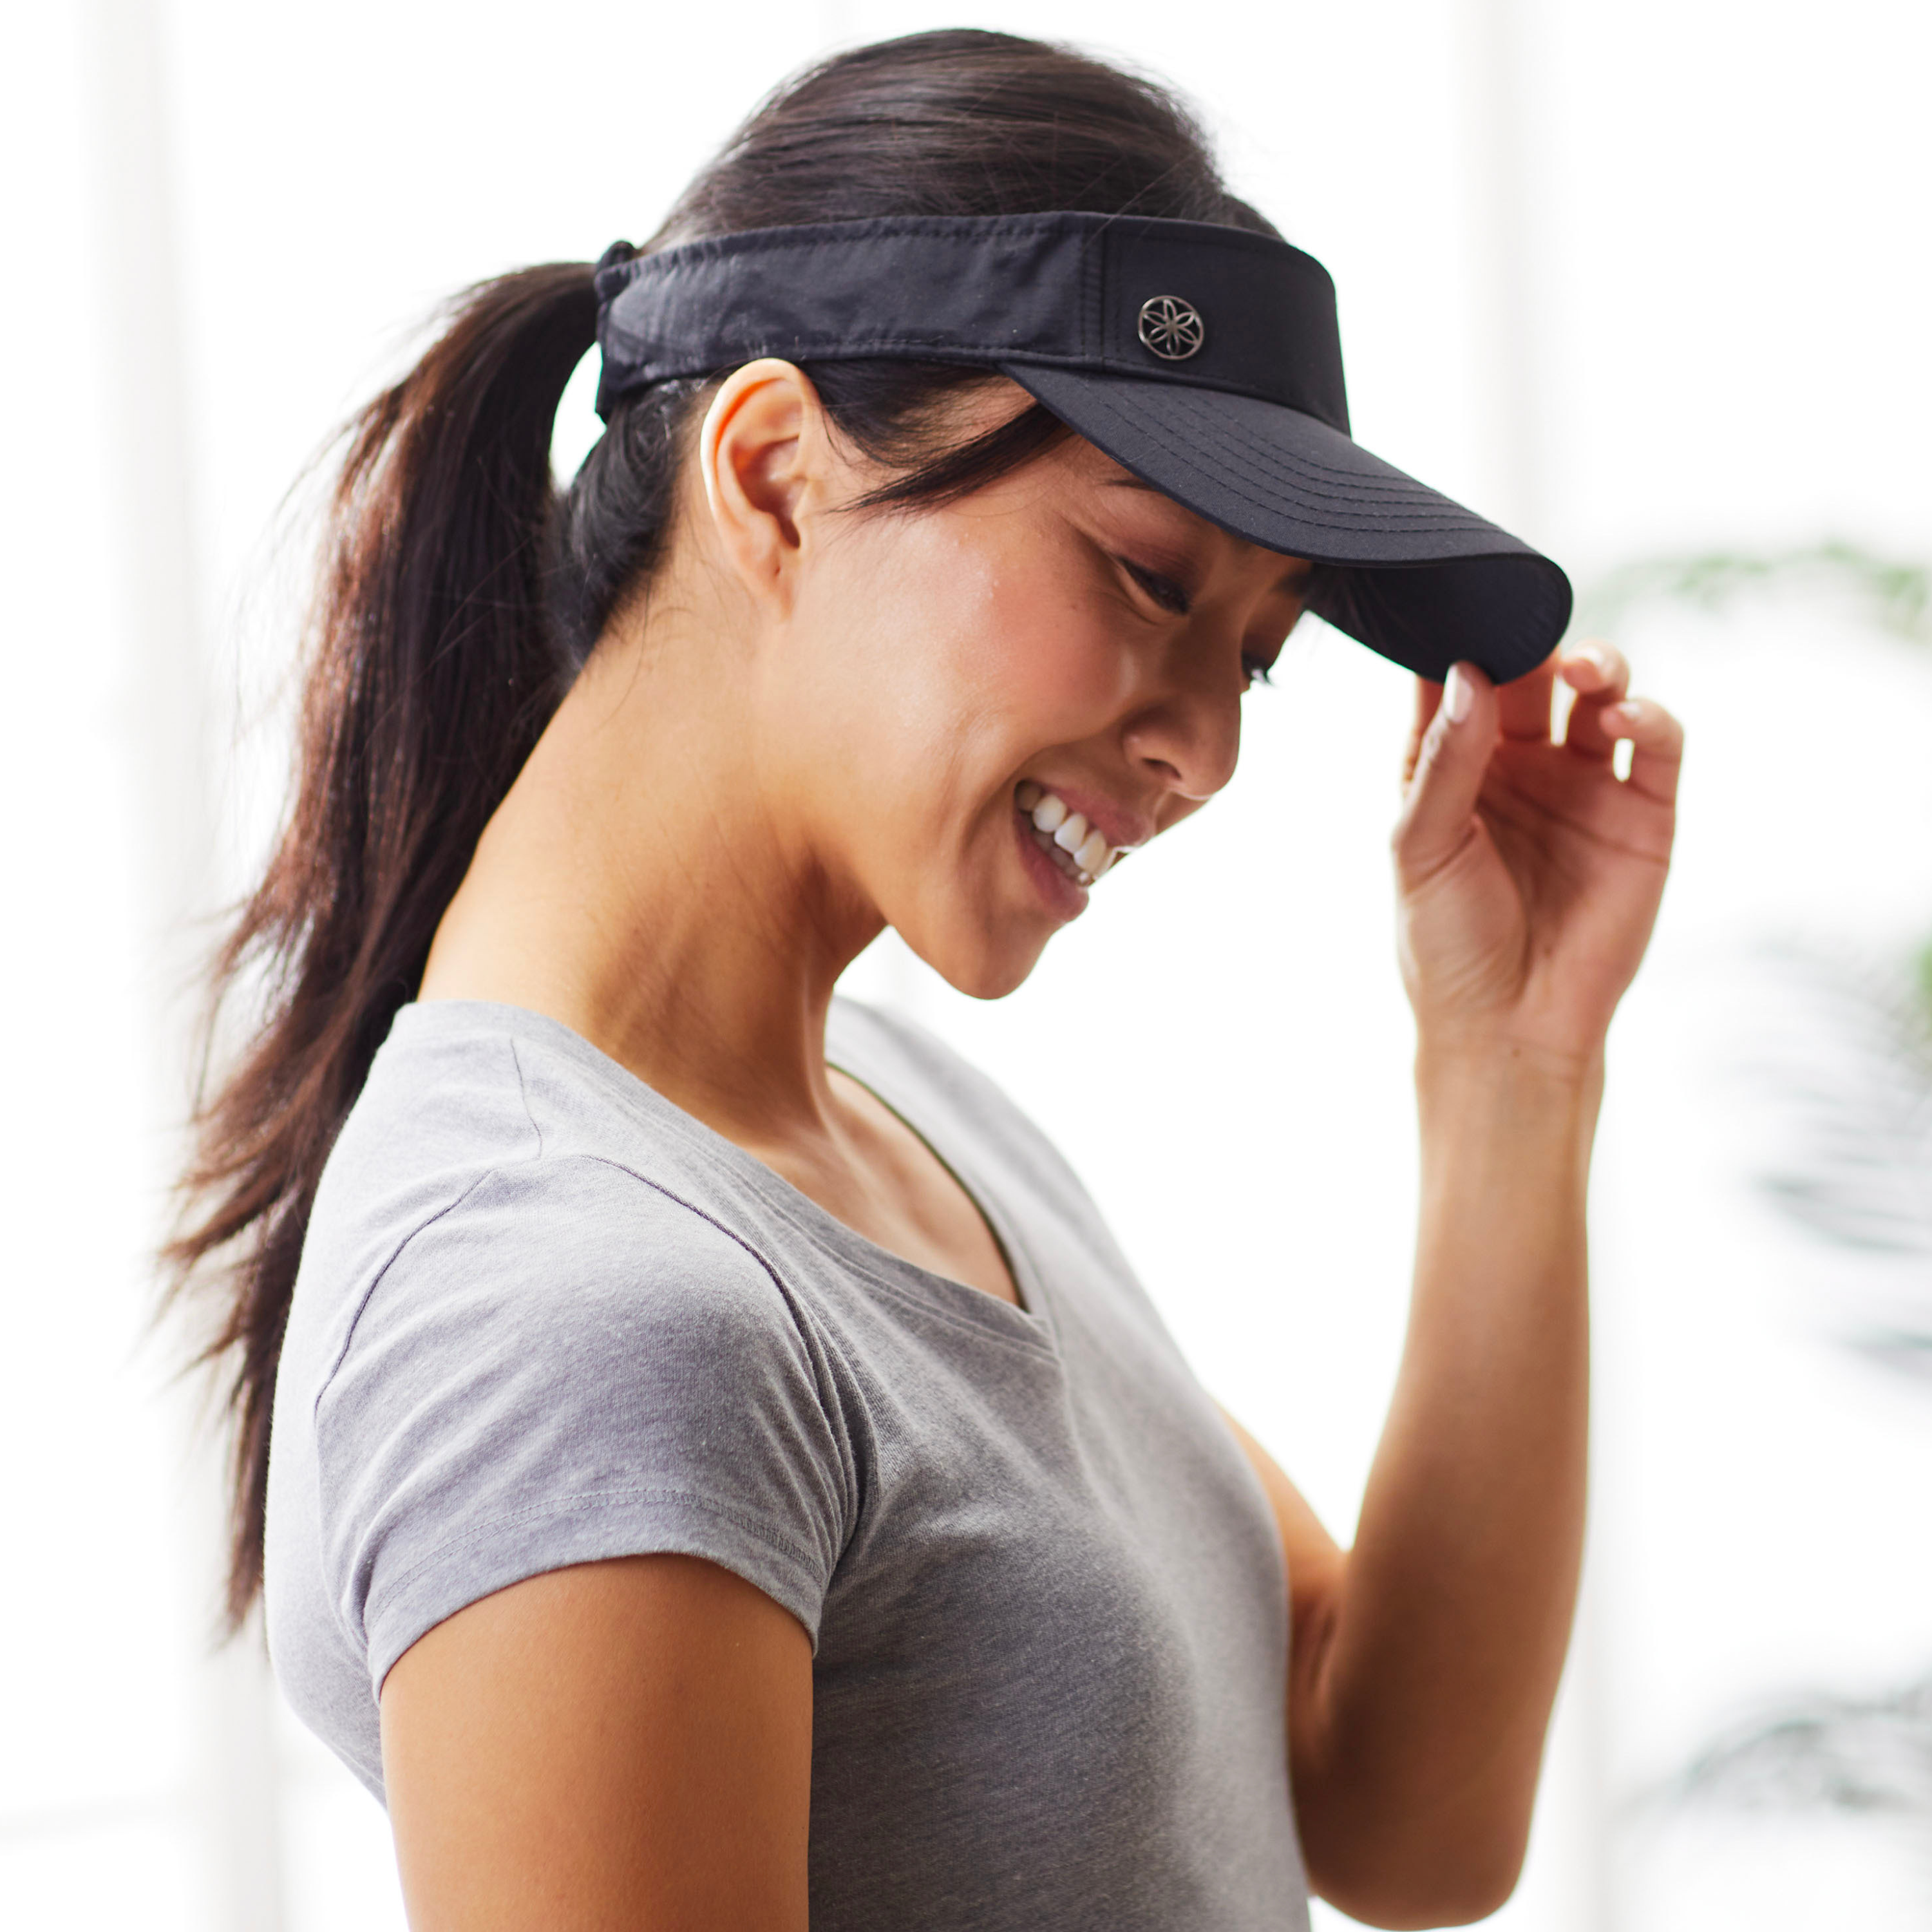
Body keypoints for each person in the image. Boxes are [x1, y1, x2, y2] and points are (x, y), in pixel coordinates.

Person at [171, 28, 1681, 1932]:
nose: (1208, 748)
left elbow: (1395, 1817)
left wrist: (1512, 1069)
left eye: (1262, 654)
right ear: (777, 470)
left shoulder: (889, 1116)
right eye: (1148, 579)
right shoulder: (574, 1305)